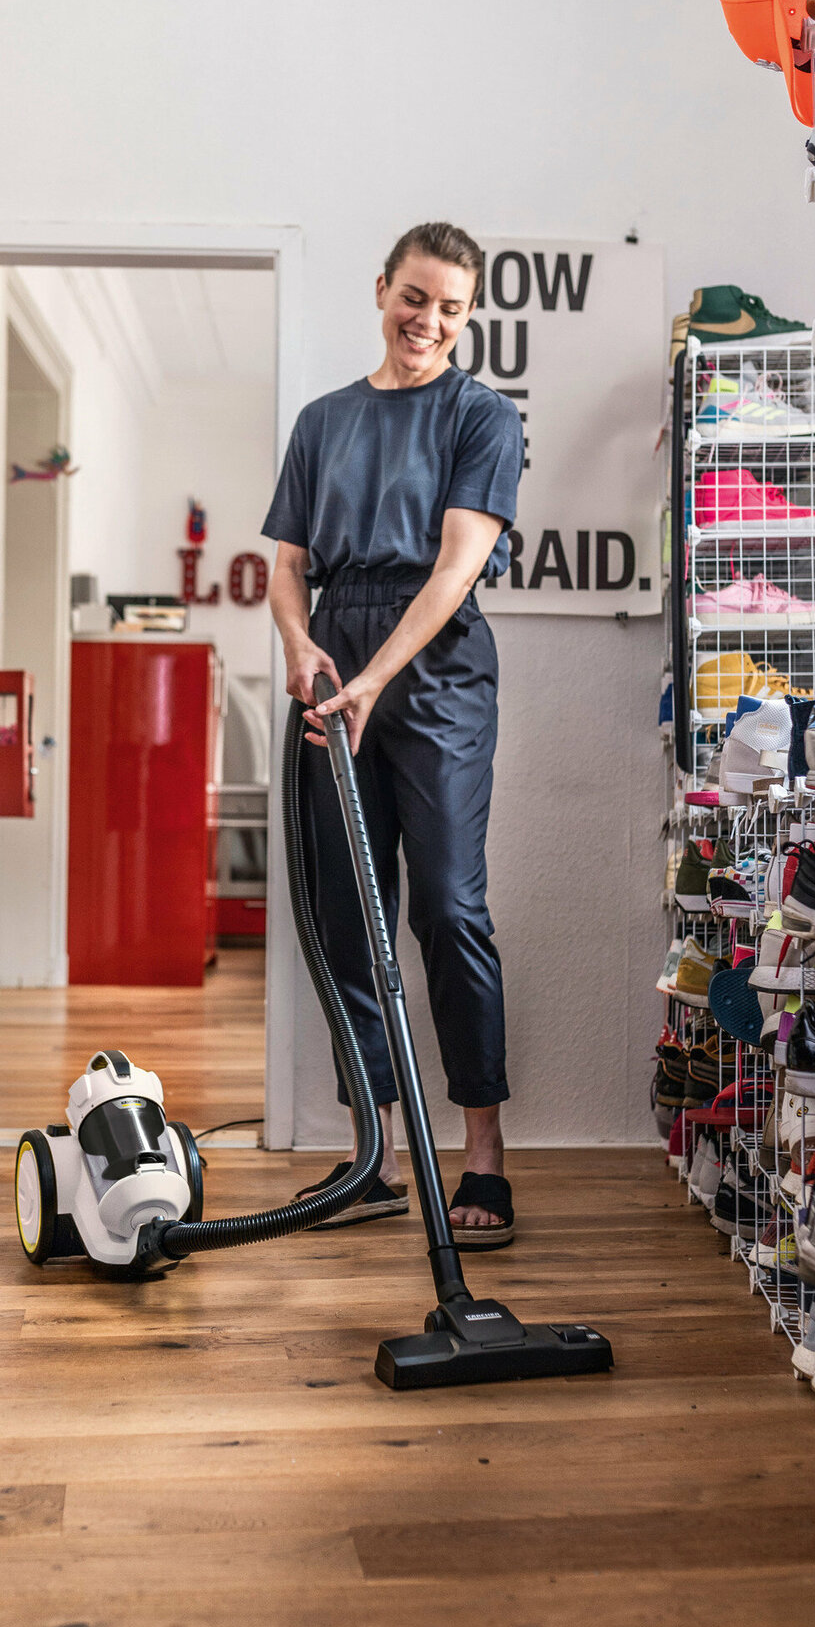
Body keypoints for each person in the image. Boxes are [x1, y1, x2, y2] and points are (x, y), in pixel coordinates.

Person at [263, 222, 523, 1247]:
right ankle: (373, 1154)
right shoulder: (322, 421)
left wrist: (378, 675)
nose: (428, 320)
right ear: (381, 290)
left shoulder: (480, 416)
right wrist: (301, 644)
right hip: (334, 658)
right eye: (415, 297)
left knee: (448, 909)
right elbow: (289, 564)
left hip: (437, 665)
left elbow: (456, 565)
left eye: (450, 307)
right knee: (345, 915)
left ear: (468, 316)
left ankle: (483, 1155)